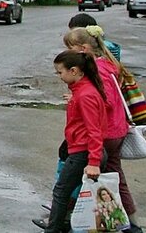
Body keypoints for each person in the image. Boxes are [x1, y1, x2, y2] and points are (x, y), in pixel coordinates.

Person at [64, 26, 142, 232]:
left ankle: (70, 219)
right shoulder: (108, 64)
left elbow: (103, 101)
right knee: (115, 178)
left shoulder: (98, 69)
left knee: (77, 177)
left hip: (105, 132)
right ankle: (131, 223)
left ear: (83, 48)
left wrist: (79, 97)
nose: (68, 53)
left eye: (71, 48)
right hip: (117, 129)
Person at [35, 50, 107, 233]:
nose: (59, 76)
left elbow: (94, 130)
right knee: (72, 192)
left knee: (61, 192)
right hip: (83, 150)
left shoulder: (85, 95)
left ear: (73, 71)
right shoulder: (83, 91)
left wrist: (93, 162)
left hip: (83, 152)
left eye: (60, 72)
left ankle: (54, 229)